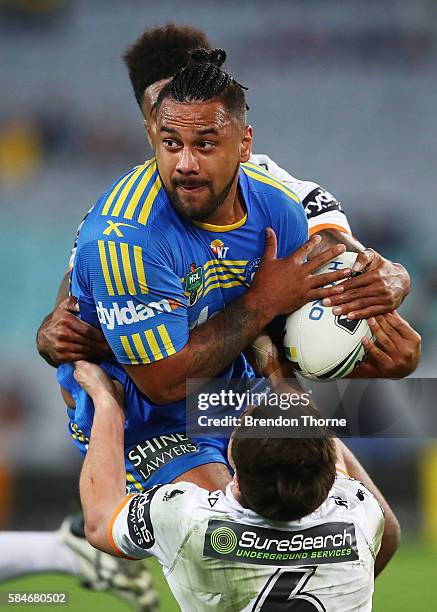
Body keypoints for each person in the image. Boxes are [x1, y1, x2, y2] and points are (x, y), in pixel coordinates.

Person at [37, 23, 410, 367]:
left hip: (235, 387)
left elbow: (340, 254)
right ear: (149, 125)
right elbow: (73, 301)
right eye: (163, 109)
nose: (184, 114)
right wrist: (50, 333)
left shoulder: (277, 190)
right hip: (167, 401)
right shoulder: (121, 216)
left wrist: (395, 277)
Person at [75, 358, 396, 612]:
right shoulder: (358, 513)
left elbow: (100, 520)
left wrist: (107, 403)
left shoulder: (185, 519)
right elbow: (330, 458)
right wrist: (279, 371)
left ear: (234, 467)